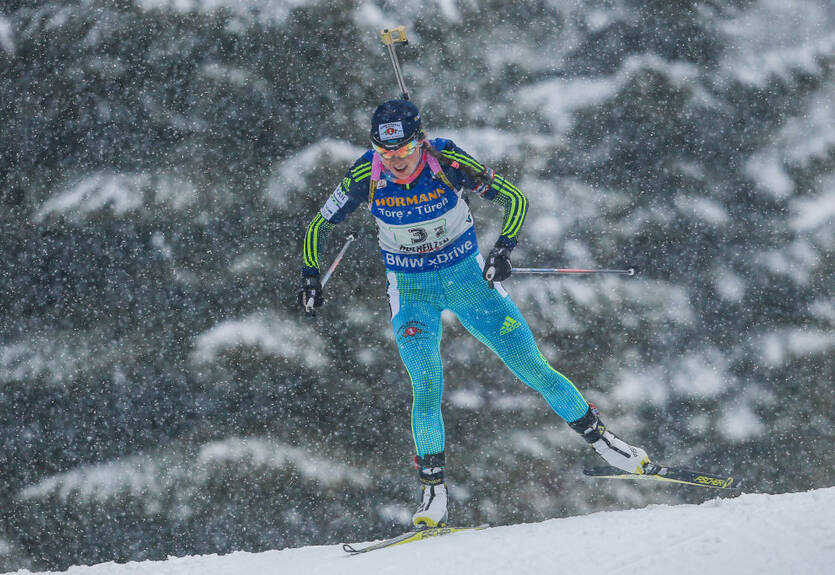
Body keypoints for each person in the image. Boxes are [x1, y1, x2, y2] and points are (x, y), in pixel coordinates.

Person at [299, 100, 649, 528]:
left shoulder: (446, 158)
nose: (394, 162)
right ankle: (433, 495)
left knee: (532, 368)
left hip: (468, 281)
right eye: (385, 153)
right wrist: (311, 277)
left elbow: (514, 198)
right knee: (426, 385)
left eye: (403, 151)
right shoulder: (364, 173)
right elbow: (318, 226)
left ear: (420, 141)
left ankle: (606, 443)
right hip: (412, 290)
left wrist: (504, 250)